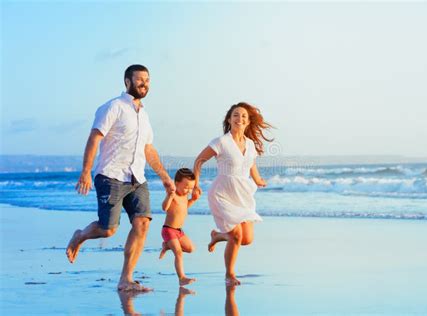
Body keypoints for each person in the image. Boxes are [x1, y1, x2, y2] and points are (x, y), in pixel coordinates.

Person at [66, 64, 176, 292]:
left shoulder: (144, 115)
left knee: (143, 223)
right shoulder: (112, 107)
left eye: (147, 80)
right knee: (108, 230)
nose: (144, 83)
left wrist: (165, 177)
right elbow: (95, 138)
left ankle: (126, 278)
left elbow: (149, 149)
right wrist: (86, 171)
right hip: (111, 176)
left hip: (137, 178)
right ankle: (81, 235)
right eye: (139, 79)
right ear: (127, 82)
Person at [192, 102, 273, 286]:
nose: (240, 119)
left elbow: (250, 163)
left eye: (243, 116)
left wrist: (258, 180)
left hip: (242, 194)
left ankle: (218, 236)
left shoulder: (250, 144)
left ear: (248, 121)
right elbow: (199, 160)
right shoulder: (221, 142)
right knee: (236, 235)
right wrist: (196, 184)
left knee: (246, 239)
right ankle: (229, 274)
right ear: (229, 120)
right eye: (236, 115)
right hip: (222, 193)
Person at [159, 168, 199, 286]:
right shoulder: (174, 195)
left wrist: (193, 200)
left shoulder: (185, 197)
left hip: (179, 231)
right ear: (176, 183)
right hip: (168, 230)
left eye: (191, 188)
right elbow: (164, 208)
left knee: (190, 248)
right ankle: (182, 277)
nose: (189, 190)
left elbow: (184, 208)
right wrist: (169, 196)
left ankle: (167, 245)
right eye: (186, 187)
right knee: (179, 253)